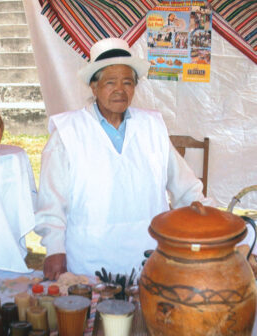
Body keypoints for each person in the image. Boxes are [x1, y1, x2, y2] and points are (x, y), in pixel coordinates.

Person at [34, 38, 211, 280]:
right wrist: (54, 249)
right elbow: (50, 200)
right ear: (93, 87)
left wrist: (207, 223)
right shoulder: (68, 131)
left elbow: (186, 188)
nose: (120, 89)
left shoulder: (152, 127)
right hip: (88, 257)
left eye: (128, 82)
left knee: (144, 316)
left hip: (147, 256)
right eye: (110, 82)